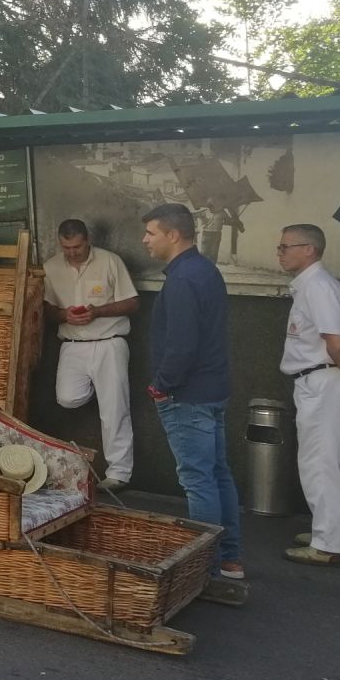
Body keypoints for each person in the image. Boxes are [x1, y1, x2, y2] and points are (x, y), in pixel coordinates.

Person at [141, 202, 243, 580]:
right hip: (212, 389)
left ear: (173, 235)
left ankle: (206, 570)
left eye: (150, 232)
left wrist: (160, 385)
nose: (145, 239)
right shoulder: (205, 269)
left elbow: (182, 344)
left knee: (198, 480)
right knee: (217, 474)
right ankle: (229, 559)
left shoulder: (182, 279)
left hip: (187, 394)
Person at [276, 224, 340, 567]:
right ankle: (339, 530)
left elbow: (336, 344)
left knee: (319, 462)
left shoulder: (317, 286)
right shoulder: (315, 285)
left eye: (286, 246)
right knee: (330, 459)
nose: (280, 253)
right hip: (324, 378)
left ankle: (329, 544)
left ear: (310, 249)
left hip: (321, 380)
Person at [42, 219, 140, 489]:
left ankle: (119, 474)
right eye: (66, 247)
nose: (72, 252)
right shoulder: (50, 267)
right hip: (73, 343)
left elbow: (133, 302)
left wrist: (98, 311)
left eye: (77, 246)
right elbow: (46, 308)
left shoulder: (110, 261)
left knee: (115, 410)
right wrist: (64, 315)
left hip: (109, 341)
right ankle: (102, 386)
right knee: (67, 397)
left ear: (87, 241)